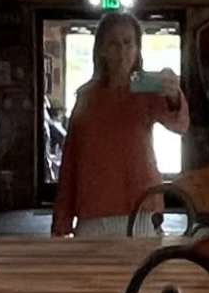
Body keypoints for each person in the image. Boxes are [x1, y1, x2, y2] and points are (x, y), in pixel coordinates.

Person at [50, 19, 190, 239]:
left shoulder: (148, 88)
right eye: (114, 44)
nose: (122, 51)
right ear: (102, 50)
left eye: (128, 43)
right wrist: (61, 220)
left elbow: (179, 125)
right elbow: (71, 162)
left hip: (141, 207)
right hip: (93, 211)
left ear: (137, 48)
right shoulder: (86, 97)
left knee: (142, 272)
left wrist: (174, 95)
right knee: (90, 273)